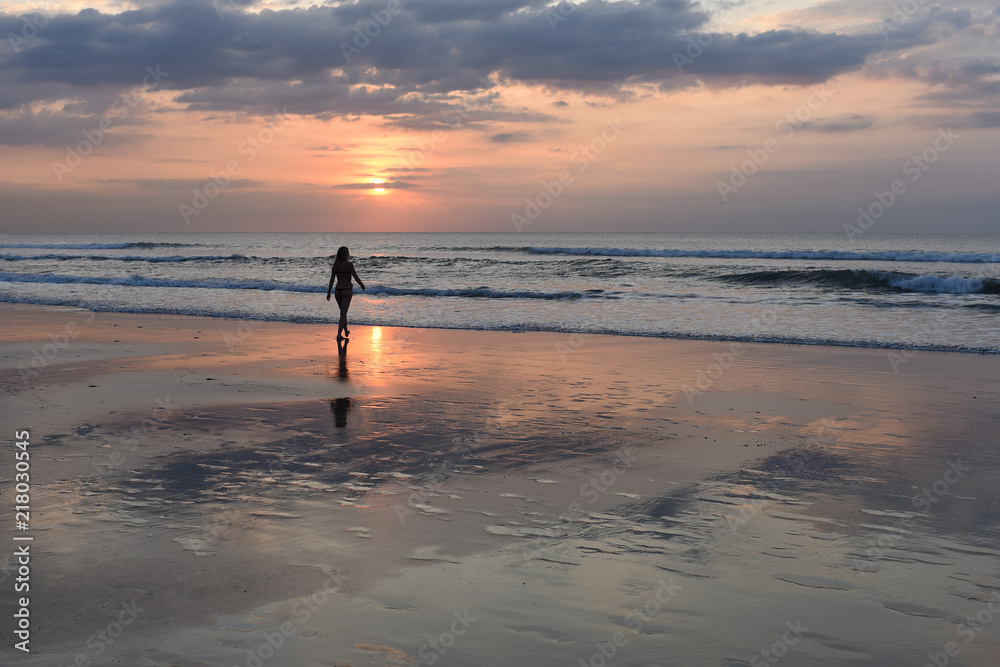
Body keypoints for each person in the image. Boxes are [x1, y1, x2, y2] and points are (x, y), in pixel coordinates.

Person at [326, 246, 365, 340]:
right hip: (347, 290)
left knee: (343, 312)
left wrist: (329, 292)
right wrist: (362, 284)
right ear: (346, 254)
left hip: (338, 290)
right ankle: (339, 334)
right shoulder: (349, 265)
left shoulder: (335, 265)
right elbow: (356, 277)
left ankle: (346, 330)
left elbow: (332, 280)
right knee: (343, 313)